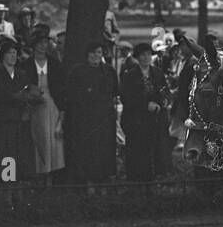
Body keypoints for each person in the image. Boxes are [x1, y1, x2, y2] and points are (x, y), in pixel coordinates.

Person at [0, 38, 41, 204]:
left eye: (15, 53)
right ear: (2, 55)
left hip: (21, 121)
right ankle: (7, 191)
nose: (12, 56)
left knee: (20, 155)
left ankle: (18, 189)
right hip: (5, 121)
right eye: (9, 53)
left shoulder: (22, 74)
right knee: (7, 156)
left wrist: (30, 97)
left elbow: (30, 93)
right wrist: (16, 97)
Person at [65, 40, 119, 185]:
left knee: (104, 149)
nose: (96, 55)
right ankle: (87, 182)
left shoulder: (108, 71)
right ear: (87, 54)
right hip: (84, 117)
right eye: (93, 52)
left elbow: (114, 92)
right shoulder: (78, 71)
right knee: (87, 150)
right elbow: (71, 94)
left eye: (99, 52)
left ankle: (103, 181)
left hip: (104, 117)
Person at [120, 42, 169, 184]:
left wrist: (164, 100)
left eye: (148, 54)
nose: (146, 57)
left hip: (155, 120)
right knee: (137, 153)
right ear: (137, 57)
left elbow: (164, 91)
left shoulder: (158, 73)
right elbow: (126, 98)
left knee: (154, 151)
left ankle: (152, 182)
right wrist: (145, 105)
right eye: (142, 55)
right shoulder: (130, 75)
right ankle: (136, 183)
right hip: (136, 120)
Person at [22, 34, 65, 183]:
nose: (42, 46)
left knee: (53, 141)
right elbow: (23, 85)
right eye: (39, 43)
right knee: (40, 139)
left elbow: (60, 87)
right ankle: (39, 176)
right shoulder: (26, 64)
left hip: (52, 105)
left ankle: (52, 178)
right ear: (34, 46)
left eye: (45, 43)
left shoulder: (54, 63)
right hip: (35, 107)